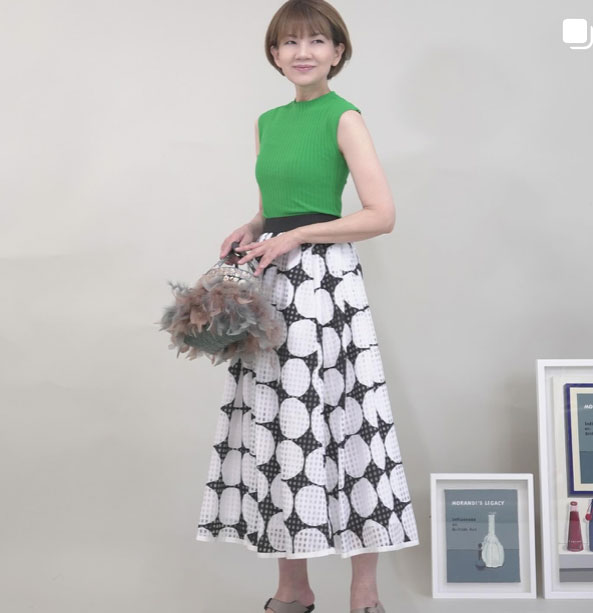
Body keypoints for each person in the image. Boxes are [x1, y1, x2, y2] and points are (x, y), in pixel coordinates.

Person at [195, 1, 420, 612]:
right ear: (274, 54)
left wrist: (295, 236)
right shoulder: (268, 122)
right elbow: (280, 202)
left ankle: (364, 591)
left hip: (326, 284)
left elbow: (381, 215)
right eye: (290, 42)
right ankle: (292, 587)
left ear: (337, 52)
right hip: (272, 278)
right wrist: (254, 226)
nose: (303, 53)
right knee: (279, 421)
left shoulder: (344, 117)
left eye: (317, 41)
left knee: (349, 419)